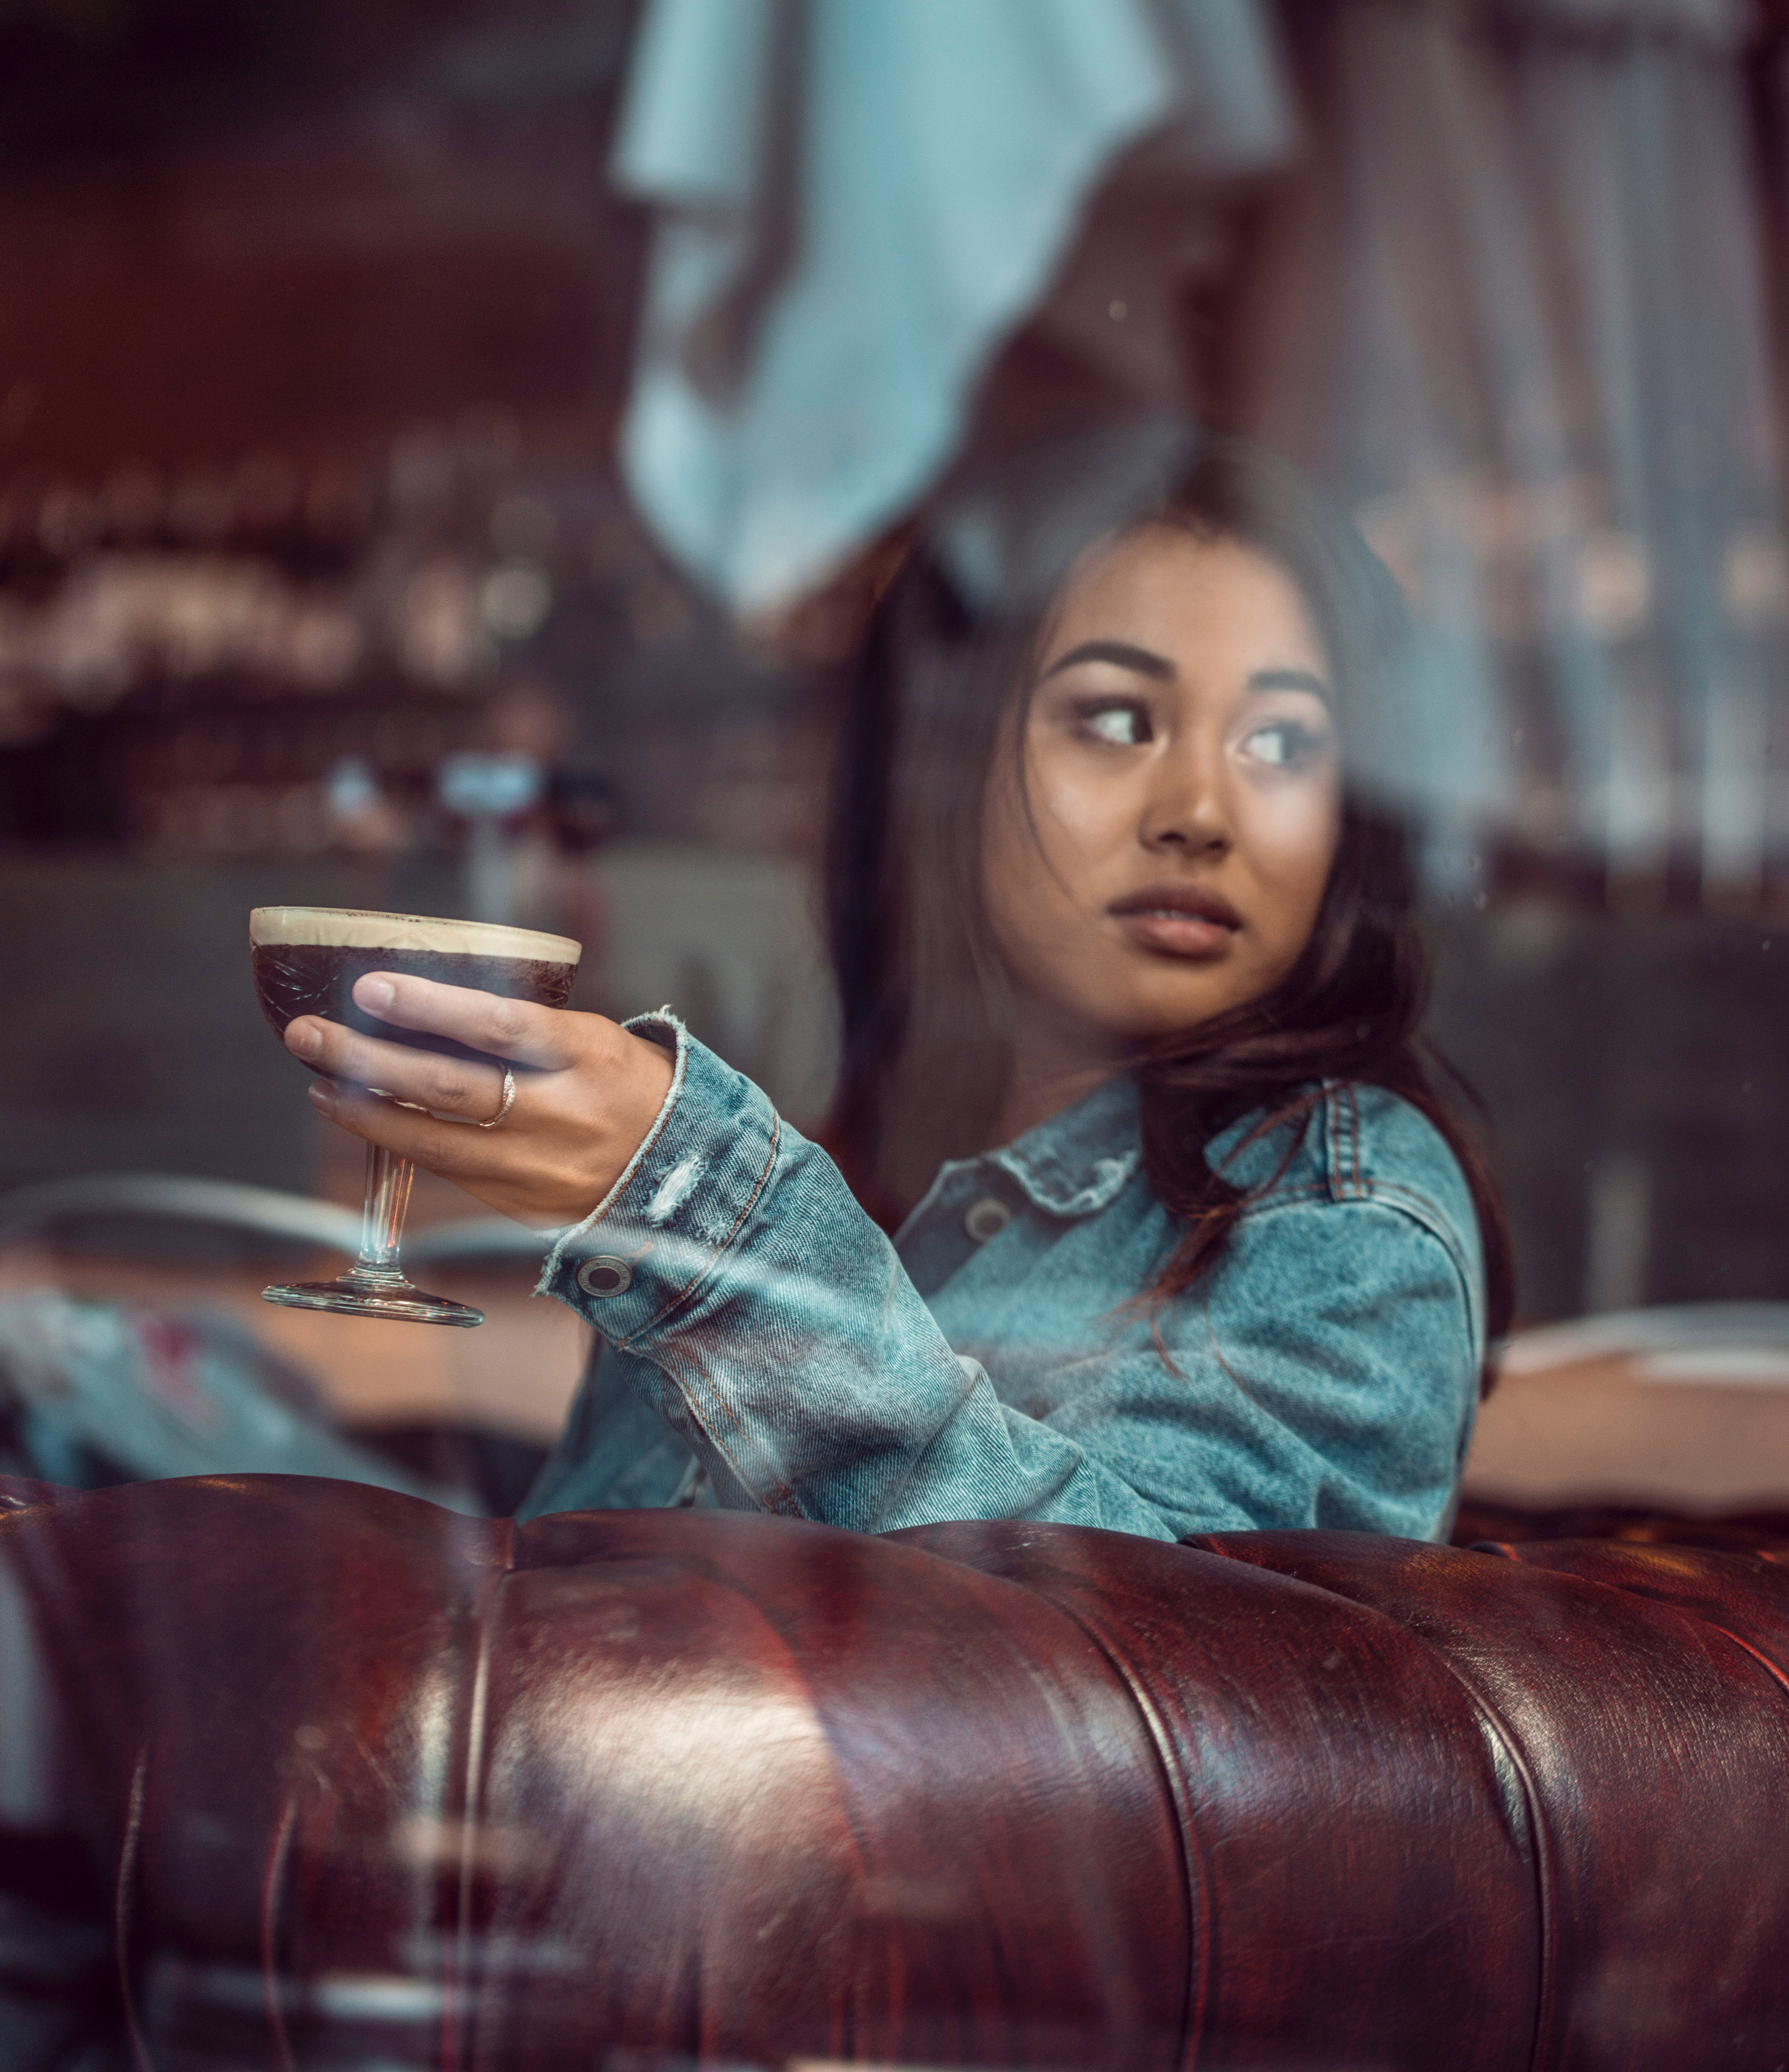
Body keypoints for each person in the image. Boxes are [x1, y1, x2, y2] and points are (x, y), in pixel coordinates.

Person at [287, 426, 1509, 1541]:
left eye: (1283, 743)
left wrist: (691, 1205)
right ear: (942, 765)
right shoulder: (869, 1174)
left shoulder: (1343, 1214)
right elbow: (580, 1600)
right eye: (1121, 721)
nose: (1201, 813)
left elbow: (1141, 1683)